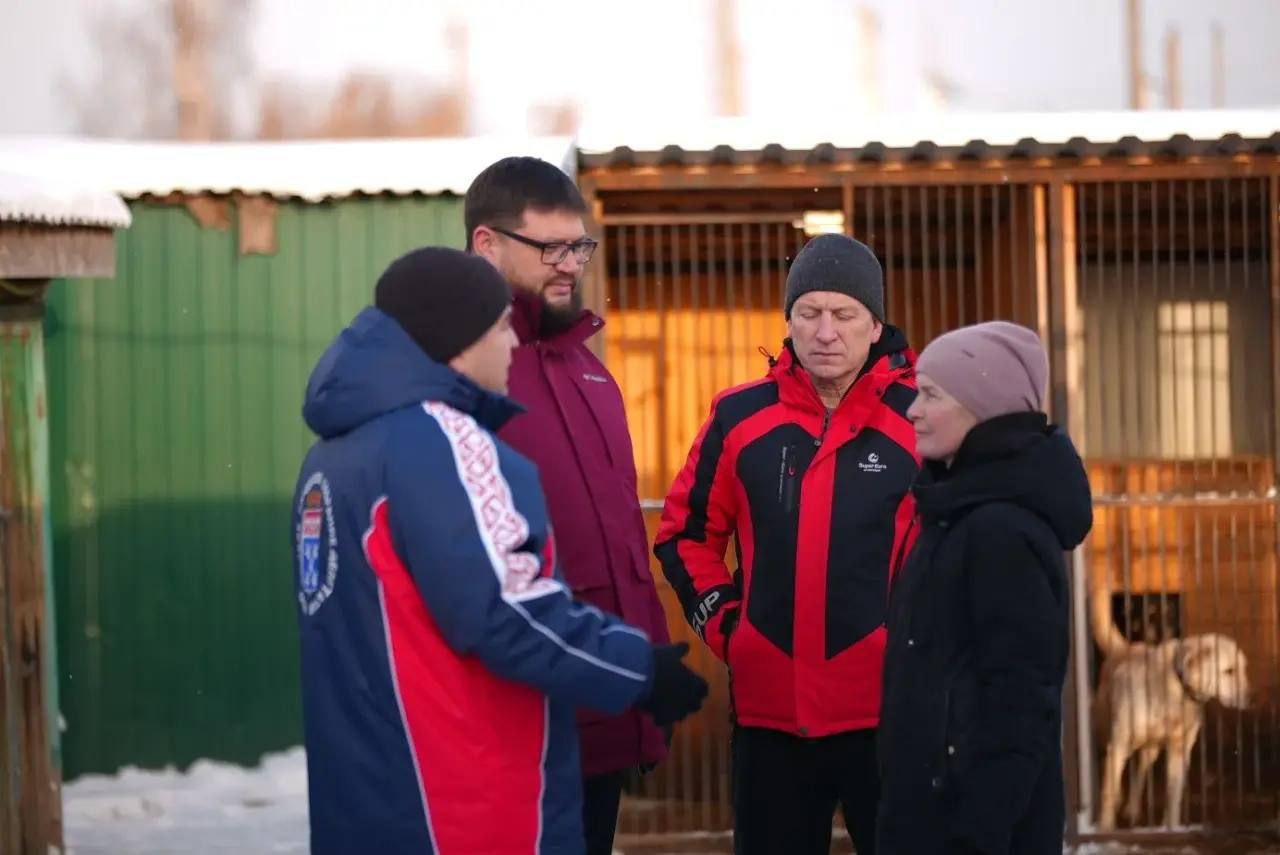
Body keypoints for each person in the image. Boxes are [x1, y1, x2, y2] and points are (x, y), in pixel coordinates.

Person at [291, 247, 708, 855]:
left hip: (367, 802)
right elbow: (507, 611)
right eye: (499, 328)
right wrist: (638, 669)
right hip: (461, 807)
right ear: (459, 341)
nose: (512, 343)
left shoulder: (332, 456)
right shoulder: (442, 441)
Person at [655, 233, 920, 855]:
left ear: (875, 326)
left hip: (890, 715)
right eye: (809, 312)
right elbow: (685, 535)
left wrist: (916, 648)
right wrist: (730, 630)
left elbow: (951, 552)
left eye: (844, 314)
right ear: (788, 321)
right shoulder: (738, 417)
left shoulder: (920, 418)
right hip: (769, 718)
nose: (825, 332)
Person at [466, 157, 675, 855]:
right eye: (549, 248)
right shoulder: (467, 374)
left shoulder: (593, 374)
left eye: (578, 247)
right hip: (519, 722)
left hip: (603, 710)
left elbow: (623, 542)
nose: (570, 266)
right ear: (487, 245)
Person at [876, 321, 1093, 855]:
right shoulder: (951, 511)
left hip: (972, 834)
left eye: (931, 395)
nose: (912, 410)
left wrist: (977, 832)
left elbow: (1020, 704)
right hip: (933, 820)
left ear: (983, 407)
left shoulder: (1000, 531)